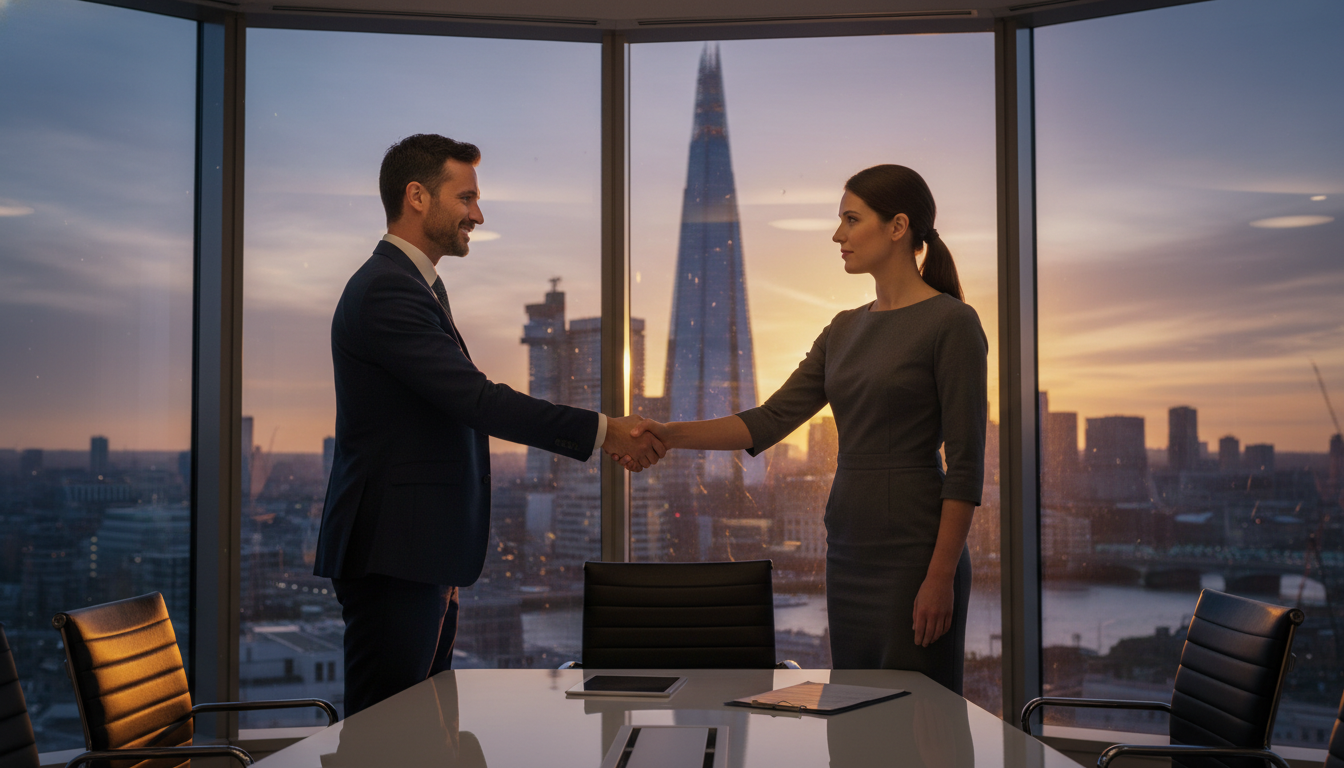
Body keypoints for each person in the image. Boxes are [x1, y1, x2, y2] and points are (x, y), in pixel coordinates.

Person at [313, 134, 664, 716]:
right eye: (466, 197)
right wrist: (605, 431)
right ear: (417, 196)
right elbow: (477, 400)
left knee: (416, 729)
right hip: (394, 551)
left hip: (417, 550)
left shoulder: (413, 286)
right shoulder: (386, 290)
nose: (478, 215)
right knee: (385, 734)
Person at [632, 164, 986, 693]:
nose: (838, 235)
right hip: (847, 550)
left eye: (851, 219)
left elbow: (966, 466)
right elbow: (769, 420)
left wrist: (940, 577)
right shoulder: (841, 329)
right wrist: (668, 434)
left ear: (898, 226)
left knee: (917, 717)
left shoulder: (952, 323)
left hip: (916, 553)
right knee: (854, 711)